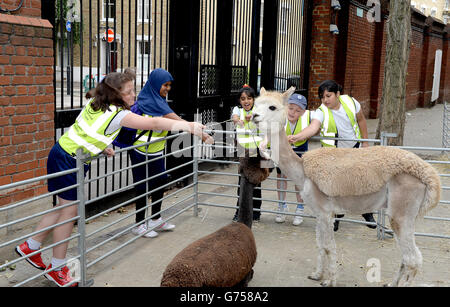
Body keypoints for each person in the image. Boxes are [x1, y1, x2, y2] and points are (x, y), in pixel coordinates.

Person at [14, 68, 206, 287]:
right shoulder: (119, 114)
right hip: (68, 160)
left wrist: (103, 144)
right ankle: (57, 267)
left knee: (62, 207)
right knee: (69, 212)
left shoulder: (96, 102)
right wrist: (189, 126)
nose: (134, 95)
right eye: (129, 92)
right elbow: (154, 123)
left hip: (62, 153)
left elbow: (85, 128)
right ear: (116, 95)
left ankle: (31, 246)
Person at [128, 68, 213, 238]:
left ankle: (155, 218)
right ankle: (139, 224)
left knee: (160, 182)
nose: (168, 88)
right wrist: (201, 134)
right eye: (165, 85)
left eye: (169, 85)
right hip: (141, 151)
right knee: (142, 187)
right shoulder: (148, 103)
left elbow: (177, 122)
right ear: (154, 84)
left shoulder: (160, 102)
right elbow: (179, 122)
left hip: (157, 151)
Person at [291, 80, 376, 231]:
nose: (325, 100)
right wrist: (298, 137)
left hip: (354, 148)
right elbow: (313, 127)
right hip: (334, 155)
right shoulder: (321, 111)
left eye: (328, 96)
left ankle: (367, 212)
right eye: (322, 97)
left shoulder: (351, 102)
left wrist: (365, 143)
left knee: (360, 182)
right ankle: (337, 216)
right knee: (337, 187)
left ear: (338, 94)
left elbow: (361, 119)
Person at [275, 93, 309, 226]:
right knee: (281, 176)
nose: (293, 112)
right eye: (291, 108)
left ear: (303, 112)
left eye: (298, 110)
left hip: (299, 150)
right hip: (282, 150)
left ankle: (300, 208)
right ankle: (281, 205)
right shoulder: (280, 118)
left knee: (298, 178)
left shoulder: (307, 119)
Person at [231, 85, 264, 222]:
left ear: (253, 99)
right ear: (239, 100)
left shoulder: (257, 110)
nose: (246, 101)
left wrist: (253, 118)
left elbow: (259, 119)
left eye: (249, 98)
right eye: (243, 99)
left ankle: (256, 212)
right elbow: (235, 117)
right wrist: (238, 120)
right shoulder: (237, 110)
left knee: (256, 181)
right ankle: (239, 212)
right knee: (243, 182)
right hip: (242, 151)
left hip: (256, 150)